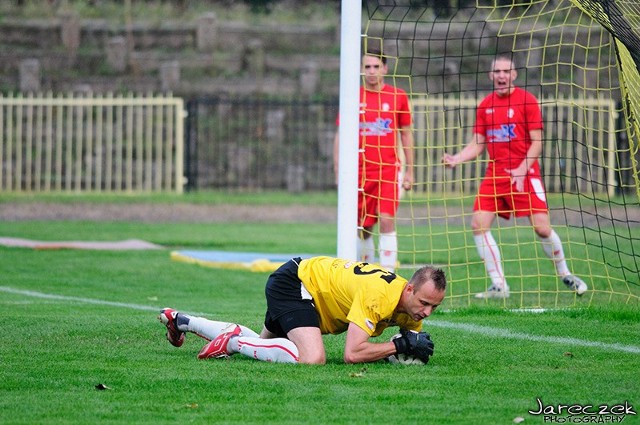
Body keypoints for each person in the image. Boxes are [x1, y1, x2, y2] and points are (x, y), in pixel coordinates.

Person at [442, 54, 588, 299]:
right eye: (497, 71)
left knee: (542, 229)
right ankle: (499, 286)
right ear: (491, 76)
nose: (501, 76)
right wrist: (457, 158)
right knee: (478, 224)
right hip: (495, 174)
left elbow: (538, 143)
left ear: (514, 74)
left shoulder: (527, 101)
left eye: (506, 71)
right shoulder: (485, 105)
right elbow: (478, 144)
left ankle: (566, 274)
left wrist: (521, 168)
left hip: (526, 174)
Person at [158, 256, 446, 364]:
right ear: (409, 289)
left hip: (308, 288)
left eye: (434, 306)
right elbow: (352, 354)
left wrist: (406, 348)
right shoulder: (380, 295)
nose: (427, 312)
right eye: (424, 303)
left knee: (262, 346)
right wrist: (397, 347)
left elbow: (401, 347)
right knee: (312, 358)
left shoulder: (411, 309)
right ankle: (232, 340)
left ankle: (182, 320)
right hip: (297, 283)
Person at [333, 48, 414, 272]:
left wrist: (410, 171)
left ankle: (388, 275)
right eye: (367, 67)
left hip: (388, 170)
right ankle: (367, 273)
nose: (371, 71)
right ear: (361, 70)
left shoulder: (398, 96)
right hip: (359, 172)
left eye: (376, 66)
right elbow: (341, 134)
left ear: (385, 69)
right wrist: (338, 169)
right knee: (363, 227)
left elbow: (406, 134)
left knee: (387, 220)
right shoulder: (352, 96)